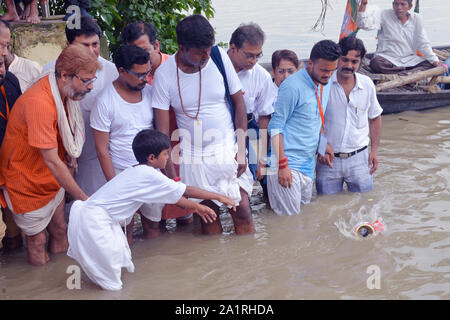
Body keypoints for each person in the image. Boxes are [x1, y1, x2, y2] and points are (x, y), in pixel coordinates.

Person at [67, 129, 236, 291]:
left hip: (87, 217)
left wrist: (198, 206)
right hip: (95, 223)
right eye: (165, 154)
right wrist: (217, 197)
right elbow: (186, 190)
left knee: (109, 270)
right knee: (112, 286)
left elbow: (176, 197)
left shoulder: (136, 171)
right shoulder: (149, 175)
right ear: (152, 158)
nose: (168, 158)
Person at [152, 15, 255, 235]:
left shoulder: (218, 57)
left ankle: (250, 264)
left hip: (227, 149)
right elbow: (162, 133)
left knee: (243, 210)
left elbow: (239, 106)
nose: (206, 55)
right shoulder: (164, 75)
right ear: (182, 48)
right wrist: (174, 180)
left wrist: (242, 151)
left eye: (208, 49)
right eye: (200, 52)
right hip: (192, 156)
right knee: (209, 219)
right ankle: (217, 268)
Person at [0, 44, 100, 266]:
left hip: (50, 177)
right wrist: (86, 200)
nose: (90, 87)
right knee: (37, 241)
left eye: (92, 80)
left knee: (61, 228)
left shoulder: (62, 91)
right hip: (25, 179)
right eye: (86, 81)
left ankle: (61, 281)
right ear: (64, 75)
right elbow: (53, 162)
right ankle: (42, 287)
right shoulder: (40, 102)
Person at [121, 21, 192, 226]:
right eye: (133, 52)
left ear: (157, 46)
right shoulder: (131, 76)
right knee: (153, 219)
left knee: (186, 211)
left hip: (180, 147)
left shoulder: (176, 69)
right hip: (150, 152)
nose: (140, 57)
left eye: (144, 50)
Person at [42, 16, 119, 201]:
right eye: (85, 46)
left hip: (97, 154)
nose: (92, 51)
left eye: (95, 44)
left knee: (99, 206)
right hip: (61, 152)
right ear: (68, 45)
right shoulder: (50, 71)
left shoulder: (111, 72)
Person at [90, 44, 159, 244]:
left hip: (150, 171)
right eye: (139, 75)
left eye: (148, 73)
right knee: (123, 230)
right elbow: (102, 150)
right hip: (121, 172)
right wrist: (115, 185)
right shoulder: (104, 101)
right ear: (121, 71)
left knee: (153, 225)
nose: (145, 79)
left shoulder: (149, 92)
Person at [266, 40, 341, 215]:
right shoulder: (291, 86)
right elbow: (275, 127)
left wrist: (322, 147)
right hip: (286, 164)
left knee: (303, 224)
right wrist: (282, 165)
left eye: (332, 70)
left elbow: (317, 119)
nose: (328, 75)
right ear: (310, 64)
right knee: (289, 227)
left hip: (308, 165)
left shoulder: (326, 83)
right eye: (324, 70)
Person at [316, 36, 382, 195]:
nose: (348, 65)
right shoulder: (323, 84)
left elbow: (375, 117)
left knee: (365, 206)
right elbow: (313, 120)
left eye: (354, 61)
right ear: (337, 59)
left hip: (360, 158)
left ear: (361, 61)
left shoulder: (366, 84)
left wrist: (374, 151)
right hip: (328, 159)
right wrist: (321, 145)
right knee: (327, 208)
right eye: (344, 60)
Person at [227, 23, 277, 185]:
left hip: (249, 129)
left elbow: (264, 117)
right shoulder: (214, 69)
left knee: (257, 176)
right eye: (249, 56)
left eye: (258, 56)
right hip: (220, 129)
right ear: (233, 48)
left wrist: (262, 157)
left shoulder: (261, 76)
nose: (254, 61)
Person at [357, 0, 439, 74]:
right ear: (393, 5)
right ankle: (407, 74)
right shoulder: (384, 14)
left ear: (410, 6)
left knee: (429, 63)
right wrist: (363, 6)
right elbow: (363, 25)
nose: (399, 7)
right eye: (396, 4)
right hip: (387, 59)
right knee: (375, 63)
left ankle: (402, 74)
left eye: (403, 4)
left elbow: (423, 43)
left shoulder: (417, 19)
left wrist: (434, 60)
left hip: (409, 59)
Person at [0, 53, 21, 250]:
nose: (1, 70)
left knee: (15, 230)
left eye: (1, 64)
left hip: (12, 165)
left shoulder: (11, 81)